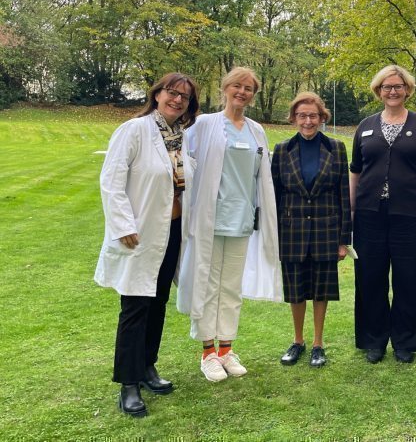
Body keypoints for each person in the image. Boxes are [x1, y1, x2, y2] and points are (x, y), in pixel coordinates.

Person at [95, 72, 199, 417]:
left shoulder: (181, 138)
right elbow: (111, 180)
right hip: (140, 234)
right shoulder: (135, 130)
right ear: (157, 94)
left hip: (171, 234)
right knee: (136, 306)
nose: (177, 100)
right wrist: (123, 224)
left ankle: (147, 367)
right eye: (172, 93)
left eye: (184, 96)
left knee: (158, 303)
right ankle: (128, 383)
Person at [177, 66, 282, 382]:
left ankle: (226, 349)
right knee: (207, 284)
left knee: (230, 288)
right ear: (225, 88)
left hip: (241, 220)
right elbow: (185, 163)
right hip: (210, 220)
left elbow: (260, 175)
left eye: (248, 88)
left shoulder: (255, 130)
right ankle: (207, 352)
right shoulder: (205, 125)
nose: (242, 92)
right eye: (237, 85)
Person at [350, 65, 416, 364]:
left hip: (410, 215)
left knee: (409, 279)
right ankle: (374, 340)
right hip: (369, 215)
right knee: (370, 278)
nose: (392, 91)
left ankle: (405, 341)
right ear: (378, 90)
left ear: (407, 90)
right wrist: (350, 210)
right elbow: (355, 171)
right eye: (386, 86)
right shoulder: (365, 126)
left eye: (398, 86)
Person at [272, 92, 351, 368]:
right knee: (295, 289)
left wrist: (344, 240)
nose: (308, 121)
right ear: (294, 118)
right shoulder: (282, 150)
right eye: (302, 116)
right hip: (291, 231)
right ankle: (298, 341)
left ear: (322, 118)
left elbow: (344, 196)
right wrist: (274, 235)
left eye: (313, 116)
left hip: (325, 230)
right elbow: (275, 194)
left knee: (321, 289)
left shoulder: (336, 148)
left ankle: (318, 343)